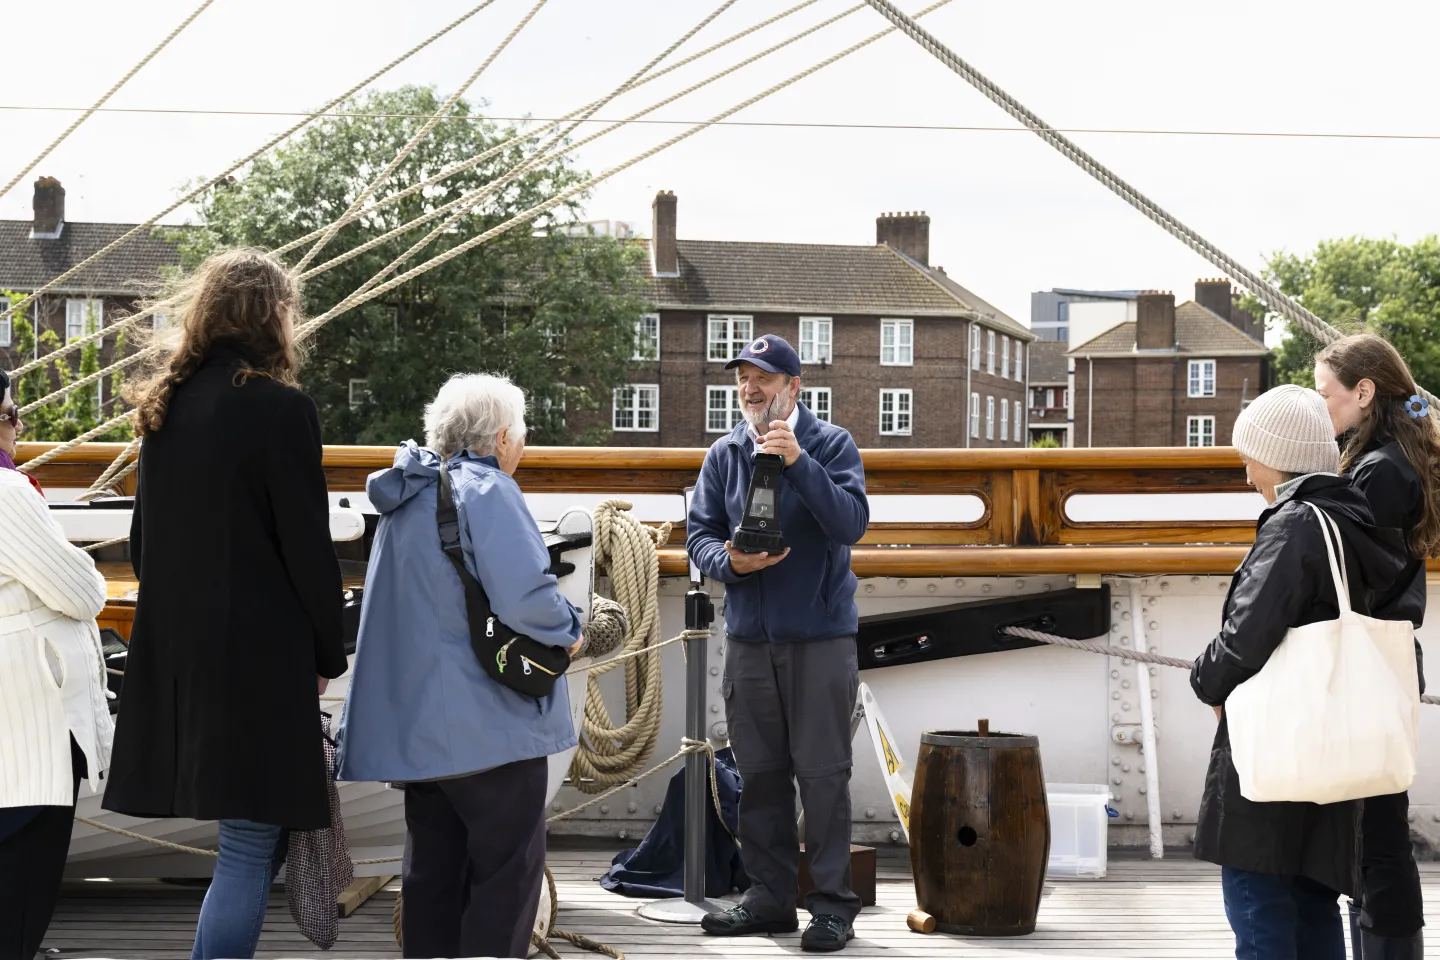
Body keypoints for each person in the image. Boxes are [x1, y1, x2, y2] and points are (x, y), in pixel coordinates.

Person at [102, 249, 346, 960]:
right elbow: (307, 550)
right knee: (247, 844)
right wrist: (327, 653)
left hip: (180, 657)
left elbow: (144, 547)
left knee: (247, 843)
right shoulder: (280, 409)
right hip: (260, 662)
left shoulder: (165, 409)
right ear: (273, 315)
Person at [336, 373, 583, 960]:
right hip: (488, 724)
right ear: (500, 438)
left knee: (431, 876)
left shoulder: (408, 494)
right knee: (504, 877)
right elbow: (525, 596)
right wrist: (570, 628)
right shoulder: (489, 490)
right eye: (520, 434)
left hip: (422, 729)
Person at [1191, 384, 1411, 960]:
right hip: (1331, 748)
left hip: (1278, 748)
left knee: (1258, 902)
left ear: (1279, 454)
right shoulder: (1350, 519)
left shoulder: (1293, 525)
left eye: (1250, 457)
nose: (1246, 473)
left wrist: (1204, 681)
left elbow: (1246, 636)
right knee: (1313, 903)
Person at [687, 334, 869, 953]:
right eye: (743, 377)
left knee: (823, 777)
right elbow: (700, 537)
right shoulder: (725, 453)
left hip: (819, 638)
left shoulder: (831, 444)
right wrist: (732, 565)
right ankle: (768, 900)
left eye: (763, 377)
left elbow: (851, 523)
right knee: (759, 776)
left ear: (794, 386)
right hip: (748, 640)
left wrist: (798, 463)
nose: (750, 388)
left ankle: (832, 908)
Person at [1314, 333, 1434, 960]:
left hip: (1367, 662)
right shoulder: (1390, 460)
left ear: (1363, 392)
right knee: (1373, 826)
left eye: (1325, 395)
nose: (1320, 408)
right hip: (1384, 658)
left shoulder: (1379, 471)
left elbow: (1356, 574)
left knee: (1373, 834)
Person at [0, 370, 112, 960]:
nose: (18, 427)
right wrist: (86, 571)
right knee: (22, 885)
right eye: (12, 415)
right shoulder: (7, 491)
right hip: (28, 724)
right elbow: (82, 592)